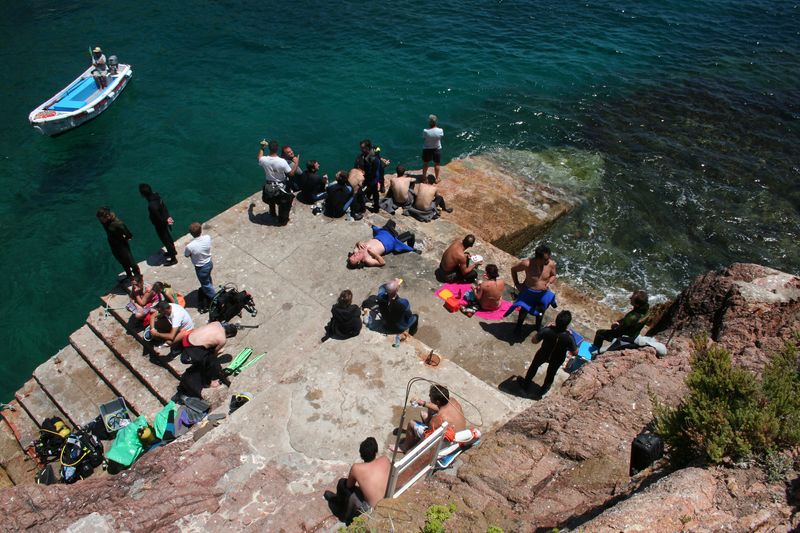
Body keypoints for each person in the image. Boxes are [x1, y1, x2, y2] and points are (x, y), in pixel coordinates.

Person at [324, 437, 391, 524]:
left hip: (371, 509)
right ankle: (340, 503)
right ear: (376, 451)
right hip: (387, 499)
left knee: (342, 483)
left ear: (361, 455)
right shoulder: (385, 459)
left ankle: (339, 507)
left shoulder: (357, 468)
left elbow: (349, 486)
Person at [392, 384, 466, 453]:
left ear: (437, 401)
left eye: (430, 396)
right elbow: (439, 408)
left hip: (447, 443)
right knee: (427, 412)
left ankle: (404, 447)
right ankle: (423, 426)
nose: (429, 395)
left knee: (411, 423)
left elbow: (428, 436)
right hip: (461, 436)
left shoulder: (439, 418)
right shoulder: (453, 401)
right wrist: (423, 403)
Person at [177, 321, 239, 399]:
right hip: (192, 348)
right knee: (210, 361)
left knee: (208, 351)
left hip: (186, 339)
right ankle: (208, 382)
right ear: (229, 335)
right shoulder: (222, 339)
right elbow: (214, 354)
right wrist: (218, 352)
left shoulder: (216, 323)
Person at [523, 310, 577, 395]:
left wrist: (545, 328)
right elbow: (575, 353)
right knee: (551, 374)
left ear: (556, 321)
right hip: (557, 358)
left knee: (533, 367)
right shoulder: (569, 337)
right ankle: (543, 390)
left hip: (544, 353)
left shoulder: (547, 330)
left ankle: (525, 384)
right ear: (567, 325)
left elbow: (534, 341)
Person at [507, 244, 557, 335]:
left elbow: (553, 275)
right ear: (538, 258)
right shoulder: (527, 264)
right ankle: (519, 326)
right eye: (545, 259)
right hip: (529, 292)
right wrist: (517, 284)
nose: (548, 261)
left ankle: (537, 326)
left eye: (549, 258)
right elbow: (513, 270)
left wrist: (550, 281)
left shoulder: (551, 264)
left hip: (543, 293)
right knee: (524, 310)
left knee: (541, 311)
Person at [589, 290, 650, 355]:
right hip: (634, 335)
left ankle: (594, 352)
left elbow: (618, 330)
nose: (630, 298)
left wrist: (614, 326)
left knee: (600, 333)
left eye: (632, 299)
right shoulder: (646, 310)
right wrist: (621, 322)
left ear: (637, 305)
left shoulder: (632, 317)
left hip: (624, 338)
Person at [258, 140, 297, 225]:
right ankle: (282, 220)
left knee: (271, 200)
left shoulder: (264, 160)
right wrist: (296, 163)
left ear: (269, 148)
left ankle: (272, 213)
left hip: (269, 186)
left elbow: (259, 157)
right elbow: (291, 173)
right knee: (283, 204)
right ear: (277, 149)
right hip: (281, 186)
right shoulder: (282, 161)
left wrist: (262, 148)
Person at [96, 207, 140, 282]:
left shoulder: (118, 223)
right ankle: (129, 275)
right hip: (113, 244)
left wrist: (124, 239)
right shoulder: (104, 222)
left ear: (107, 216)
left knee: (129, 259)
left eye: (101, 219)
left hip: (122, 245)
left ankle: (137, 275)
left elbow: (129, 235)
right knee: (121, 260)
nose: (100, 221)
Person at [347, 220, 417, 268]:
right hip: (390, 242)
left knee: (392, 222)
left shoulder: (356, 250)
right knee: (410, 235)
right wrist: (374, 254)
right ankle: (411, 246)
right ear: (359, 262)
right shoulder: (368, 260)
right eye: (355, 258)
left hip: (382, 234)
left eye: (352, 256)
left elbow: (357, 243)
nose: (355, 255)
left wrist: (359, 242)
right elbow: (382, 263)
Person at [139, 183, 177, 265]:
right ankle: (173, 251)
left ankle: (173, 259)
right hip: (165, 219)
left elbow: (158, 217)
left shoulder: (151, 205)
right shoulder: (157, 196)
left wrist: (165, 221)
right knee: (168, 237)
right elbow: (163, 207)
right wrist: (168, 217)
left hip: (160, 224)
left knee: (165, 240)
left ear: (143, 195)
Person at [184, 222, 215, 312]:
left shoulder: (190, 246)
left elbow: (186, 255)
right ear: (201, 230)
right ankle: (211, 290)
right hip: (209, 263)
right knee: (208, 278)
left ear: (191, 233)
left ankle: (215, 299)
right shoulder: (207, 237)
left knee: (205, 284)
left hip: (201, 268)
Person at [354, 140, 389, 212]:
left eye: (363, 148)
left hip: (372, 179)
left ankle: (376, 207)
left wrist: (366, 180)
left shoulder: (374, 159)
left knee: (374, 192)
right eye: (361, 148)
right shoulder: (365, 154)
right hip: (368, 177)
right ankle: (368, 199)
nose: (361, 150)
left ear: (368, 147)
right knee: (369, 191)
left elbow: (374, 171)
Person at [422, 114, 444, 182]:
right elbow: (440, 137)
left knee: (425, 163)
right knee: (437, 164)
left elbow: (424, 138)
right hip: (436, 148)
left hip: (427, 148)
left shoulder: (425, 131)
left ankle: (424, 178)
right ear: (436, 122)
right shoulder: (440, 130)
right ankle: (437, 179)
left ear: (429, 122)